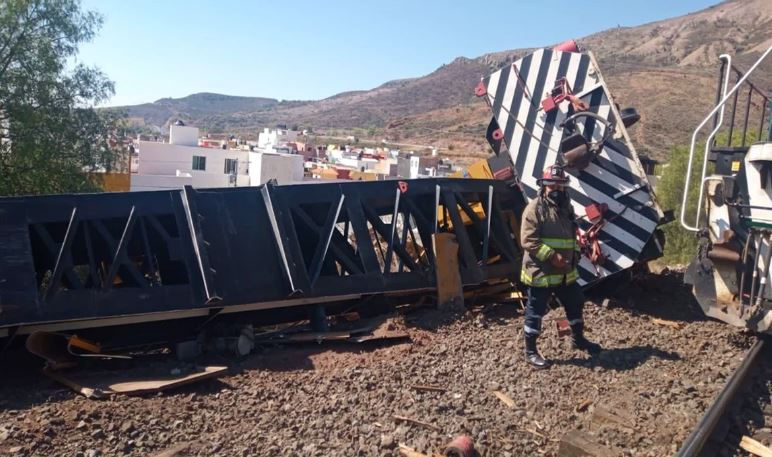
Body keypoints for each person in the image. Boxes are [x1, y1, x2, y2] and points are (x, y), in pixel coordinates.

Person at [520, 164, 602, 368]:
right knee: (535, 311)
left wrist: (575, 254)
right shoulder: (535, 209)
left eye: (560, 185)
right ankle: (530, 352)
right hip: (542, 272)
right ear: (543, 186)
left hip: (566, 272)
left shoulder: (567, 208)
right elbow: (528, 240)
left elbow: (570, 236)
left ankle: (578, 339)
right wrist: (551, 255)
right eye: (552, 185)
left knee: (576, 302)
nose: (556, 190)